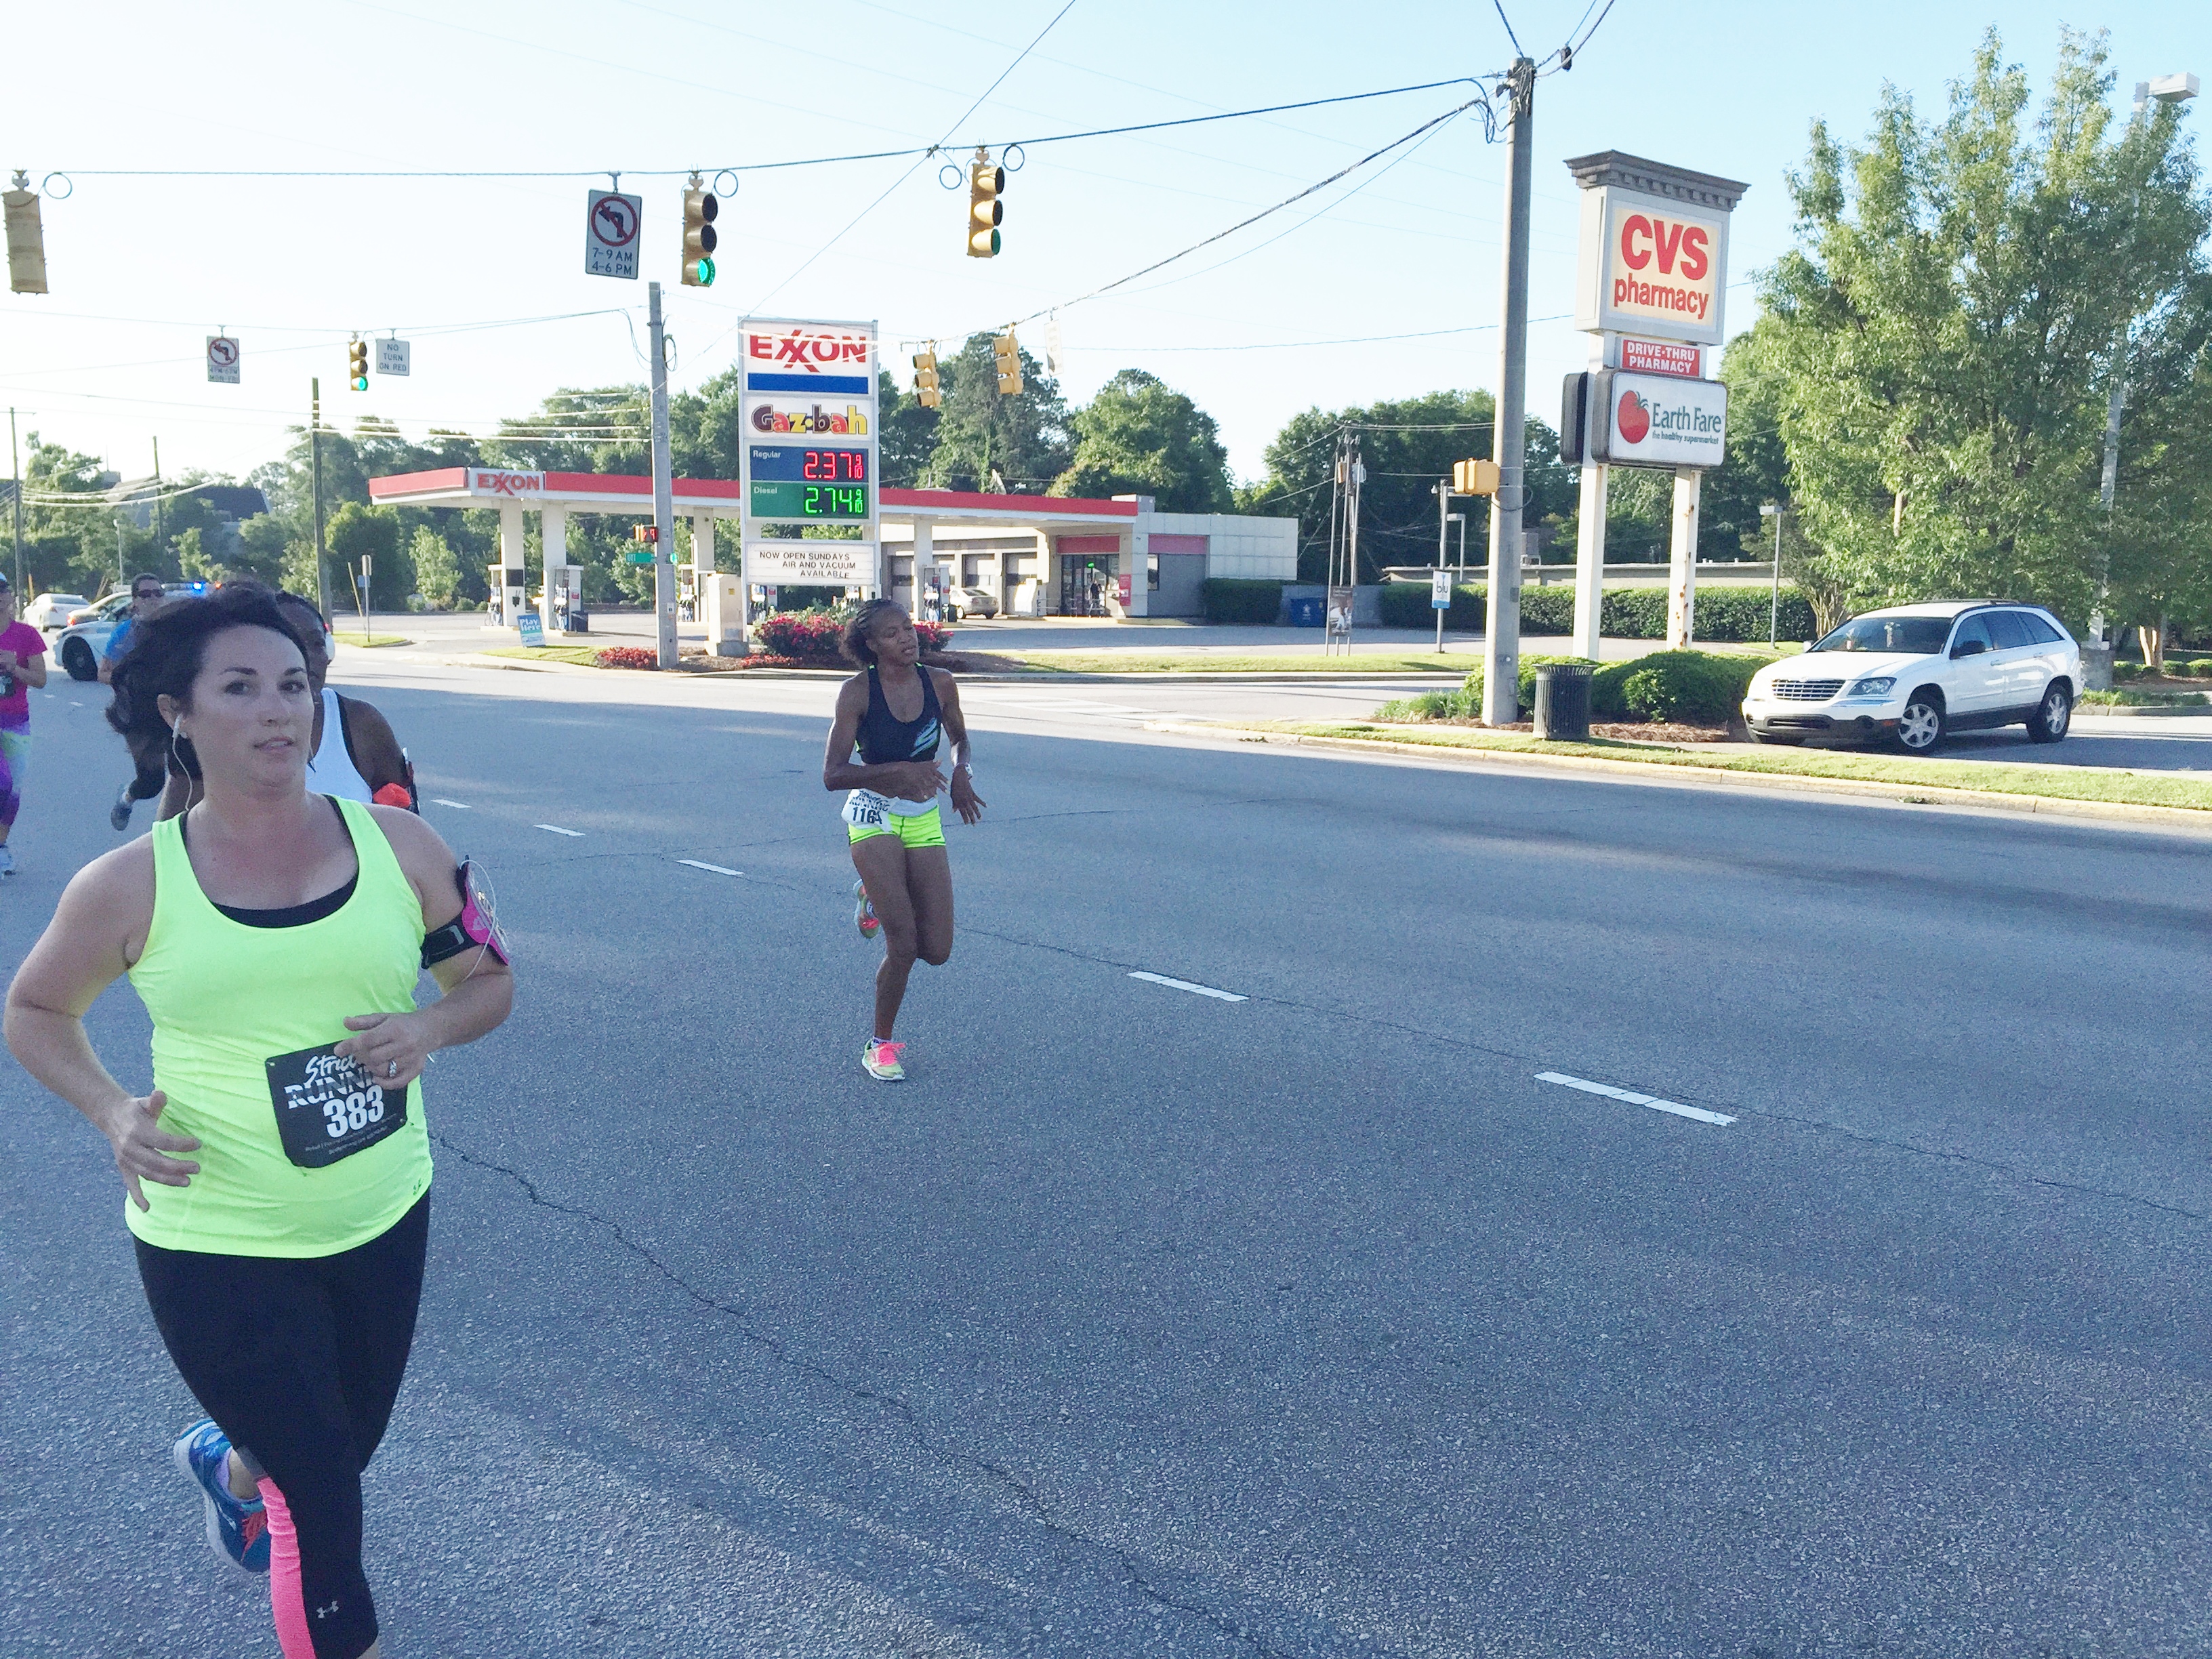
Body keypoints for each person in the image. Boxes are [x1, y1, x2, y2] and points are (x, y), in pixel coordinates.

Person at [5, 585, 514, 1659]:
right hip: (215, 1232)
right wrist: (110, 1110)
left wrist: (429, 1027)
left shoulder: (403, 848)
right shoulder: (131, 884)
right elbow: (36, 1009)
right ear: (179, 712)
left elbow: (488, 981)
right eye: (239, 688)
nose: (278, 710)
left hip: (381, 1211)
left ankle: (229, 1463)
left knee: (340, 1449)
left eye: (293, 685)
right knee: (321, 1504)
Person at [822, 598, 983, 1081]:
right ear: (871, 645)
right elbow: (833, 774)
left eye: (908, 628)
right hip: (873, 815)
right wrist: (898, 771)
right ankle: (880, 1045)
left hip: (922, 817)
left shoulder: (940, 683)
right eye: (892, 634)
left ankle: (873, 892)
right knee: (905, 944)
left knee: (937, 950)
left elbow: (960, 738)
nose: (906, 638)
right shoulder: (857, 693)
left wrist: (962, 773)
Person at [159, 590, 412, 818]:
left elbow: (403, 805)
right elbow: (168, 842)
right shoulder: (210, 739)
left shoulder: (361, 723)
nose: (305, 658)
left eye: (316, 643)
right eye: (239, 689)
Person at [104, 573, 172, 831]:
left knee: (188, 771)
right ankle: (126, 798)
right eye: (145, 594)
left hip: (174, 710)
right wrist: (130, 677)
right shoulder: (125, 634)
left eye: (158, 593)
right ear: (134, 602)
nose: (153, 598)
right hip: (139, 715)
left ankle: (175, 830)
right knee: (152, 783)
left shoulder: (175, 630)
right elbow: (103, 673)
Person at [0, 575, 52, 876]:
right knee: (2, 782)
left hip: (16, 721)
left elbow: (41, 680)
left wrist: (14, 668)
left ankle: (1, 845)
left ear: (10, 596)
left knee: (13, 792)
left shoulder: (26, 635)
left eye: (2, 590)